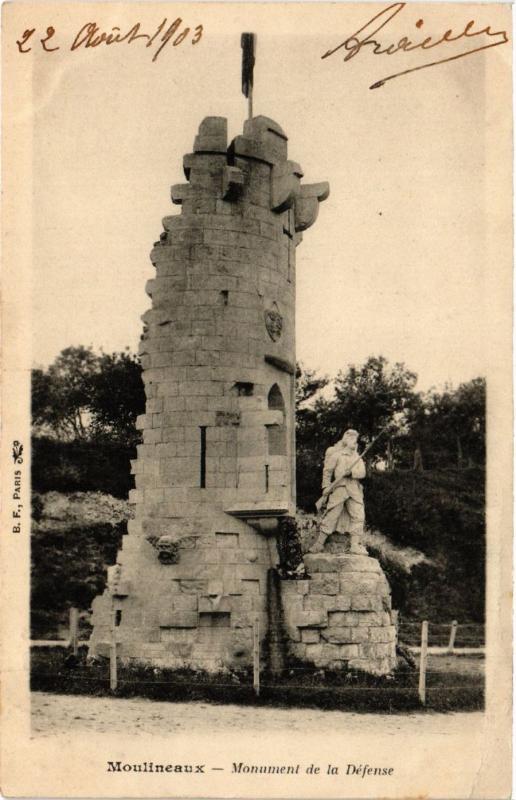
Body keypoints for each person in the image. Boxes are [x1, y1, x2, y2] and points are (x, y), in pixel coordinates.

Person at [311, 429, 367, 554]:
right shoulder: (337, 455)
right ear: (346, 440)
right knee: (331, 515)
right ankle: (319, 544)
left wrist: (351, 473)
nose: (355, 442)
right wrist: (326, 487)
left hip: (354, 490)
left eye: (355, 439)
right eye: (352, 439)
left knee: (358, 516)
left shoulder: (357, 458)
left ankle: (354, 545)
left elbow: (363, 473)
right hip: (339, 489)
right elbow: (327, 471)